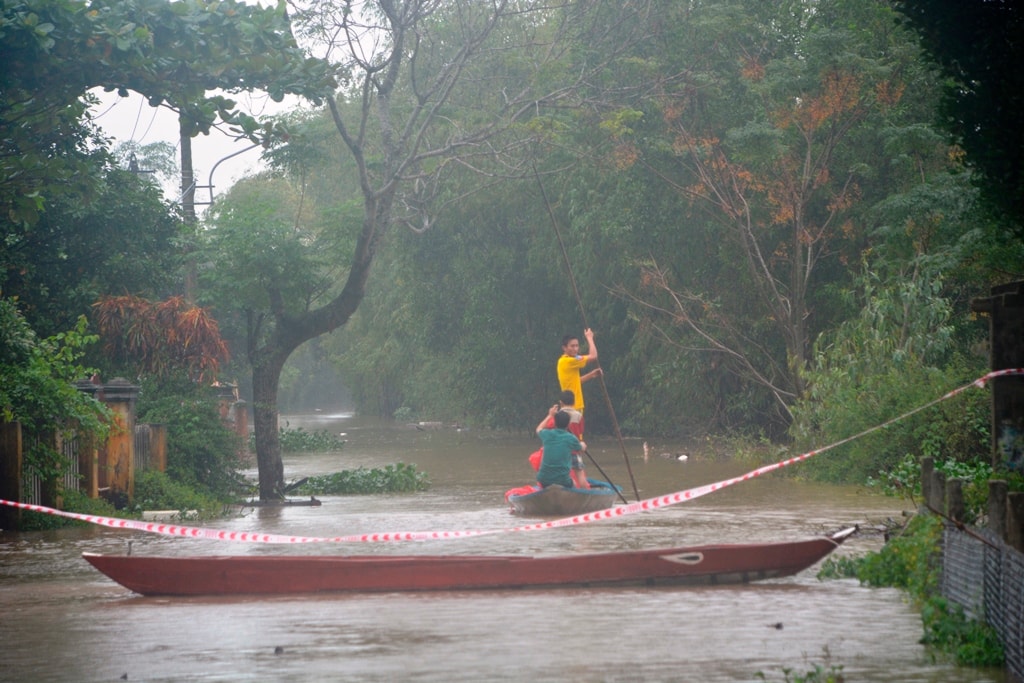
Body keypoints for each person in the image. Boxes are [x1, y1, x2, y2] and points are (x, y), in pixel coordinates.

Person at [534, 390, 589, 488]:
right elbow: (580, 431)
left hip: (560, 451)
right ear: (574, 402)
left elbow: (546, 427)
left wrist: (551, 415)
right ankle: (585, 494)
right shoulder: (579, 416)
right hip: (575, 450)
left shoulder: (557, 416)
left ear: (561, 402)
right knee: (580, 474)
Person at [556, 329, 603, 433]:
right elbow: (593, 356)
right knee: (575, 438)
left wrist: (592, 374)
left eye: (577, 346)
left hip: (574, 406)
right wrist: (590, 338)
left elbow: (576, 381)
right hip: (573, 406)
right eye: (572, 346)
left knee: (573, 436)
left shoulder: (569, 360)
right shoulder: (568, 361)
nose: (575, 349)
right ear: (564, 348)